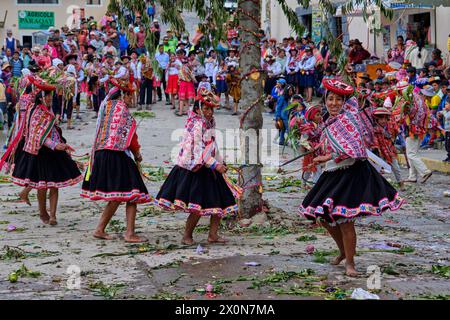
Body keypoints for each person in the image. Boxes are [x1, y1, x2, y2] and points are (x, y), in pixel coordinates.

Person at [299, 78, 404, 277]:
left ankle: (350, 263)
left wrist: (328, 156)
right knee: (323, 218)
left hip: (352, 173)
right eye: (330, 99)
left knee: (346, 220)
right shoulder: (329, 124)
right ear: (325, 101)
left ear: (344, 102)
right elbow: (332, 149)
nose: (334, 103)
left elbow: (353, 148)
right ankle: (343, 251)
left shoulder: (350, 118)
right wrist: (320, 157)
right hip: (332, 173)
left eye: (338, 100)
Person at [155, 89, 241, 245]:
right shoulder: (196, 125)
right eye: (206, 108)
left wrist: (221, 161)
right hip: (195, 169)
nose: (209, 112)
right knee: (197, 207)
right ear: (197, 109)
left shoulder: (210, 123)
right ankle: (187, 235)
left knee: (219, 204)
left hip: (210, 168)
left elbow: (212, 145)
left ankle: (213, 235)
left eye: (211, 109)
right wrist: (216, 165)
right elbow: (198, 150)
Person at [81, 79, 151, 242]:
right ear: (123, 95)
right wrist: (138, 155)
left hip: (101, 154)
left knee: (118, 195)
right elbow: (132, 139)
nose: (131, 99)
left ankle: (100, 229)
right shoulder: (123, 112)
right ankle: (129, 233)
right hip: (116, 155)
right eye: (129, 96)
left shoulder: (106, 108)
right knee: (133, 192)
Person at [11, 78, 82, 225]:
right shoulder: (36, 111)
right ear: (41, 97)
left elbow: (51, 130)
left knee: (54, 185)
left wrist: (62, 146)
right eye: (47, 96)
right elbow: (37, 135)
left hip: (53, 153)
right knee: (42, 186)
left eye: (51, 96)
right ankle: (43, 212)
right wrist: (55, 145)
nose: (50, 99)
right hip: (40, 153)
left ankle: (53, 215)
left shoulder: (46, 111)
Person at [299, 105, 323, 187]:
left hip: (319, 151)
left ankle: (316, 185)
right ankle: (304, 183)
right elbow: (303, 141)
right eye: (317, 115)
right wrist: (309, 148)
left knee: (318, 168)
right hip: (310, 152)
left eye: (320, 114)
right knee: (308, 168)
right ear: (312, 116)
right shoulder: (307, 127)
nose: (320, 117)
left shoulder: (320, 126)